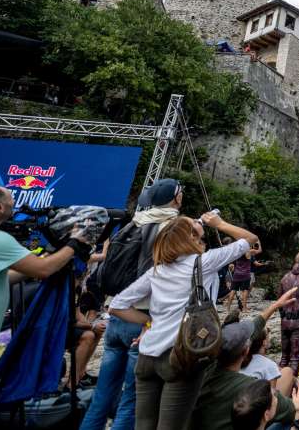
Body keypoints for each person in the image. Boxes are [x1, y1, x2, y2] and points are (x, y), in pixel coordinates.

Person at [109, 213, 259, 430]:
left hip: (147, 356)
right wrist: (220, 224)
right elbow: (250, 238)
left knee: (143, 425)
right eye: (195, 226)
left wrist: (152, 321)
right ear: (189, 238)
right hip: (182, 355)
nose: (199, 224)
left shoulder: (157, 270)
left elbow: (117, 305)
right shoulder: (203, 262)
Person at [0, 185, 93, 427]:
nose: (15, 206)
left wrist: (42, 262)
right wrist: (73, 245)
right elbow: (44, 270)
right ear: (0, 207)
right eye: (11, 201)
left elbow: (3, 277)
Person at [81, 178, 184, 430]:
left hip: (117, 315)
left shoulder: (134, 223)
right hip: (145, 320)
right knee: (132, 398)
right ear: (176, 198)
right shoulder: (174, 226)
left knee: (103, 394)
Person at [193, 290, 299, 430]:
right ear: (246, 351)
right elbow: (291, 410)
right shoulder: (249, 387)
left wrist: (276, 305)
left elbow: (255, 327)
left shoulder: (205, 367)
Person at [69, 290, 107, 389]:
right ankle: (72, 383)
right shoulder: (65, 288)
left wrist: (91, 325)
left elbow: (78, 314)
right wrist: (92, 326)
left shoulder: (77, 288)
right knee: (88, 336)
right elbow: (69, 321)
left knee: (97, 332)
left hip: (68, 325)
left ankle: (81, 373)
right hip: (56, 330)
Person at [226, 245, 262, 312]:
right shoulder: (249, 252)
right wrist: (258, 242)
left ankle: (228, 308)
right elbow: (259, 250)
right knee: (245, 290)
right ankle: (244, 308)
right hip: (245, 274)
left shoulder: (238, 252)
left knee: (233, 290)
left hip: (236, 274)